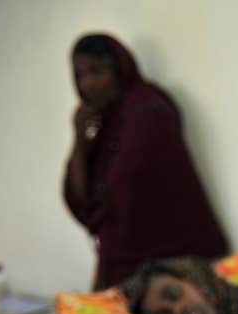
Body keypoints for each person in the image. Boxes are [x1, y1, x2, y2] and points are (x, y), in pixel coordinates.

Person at [63, 33, 229, 290]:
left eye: (96, 71)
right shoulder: (105, 127)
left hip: (173, 263)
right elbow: (81, 199)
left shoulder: (147, 109)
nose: (88, 84)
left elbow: (121, 194)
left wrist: (105, 237)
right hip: (128, 266)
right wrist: (80, 140)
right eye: (80, 76)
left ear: (119, 69)